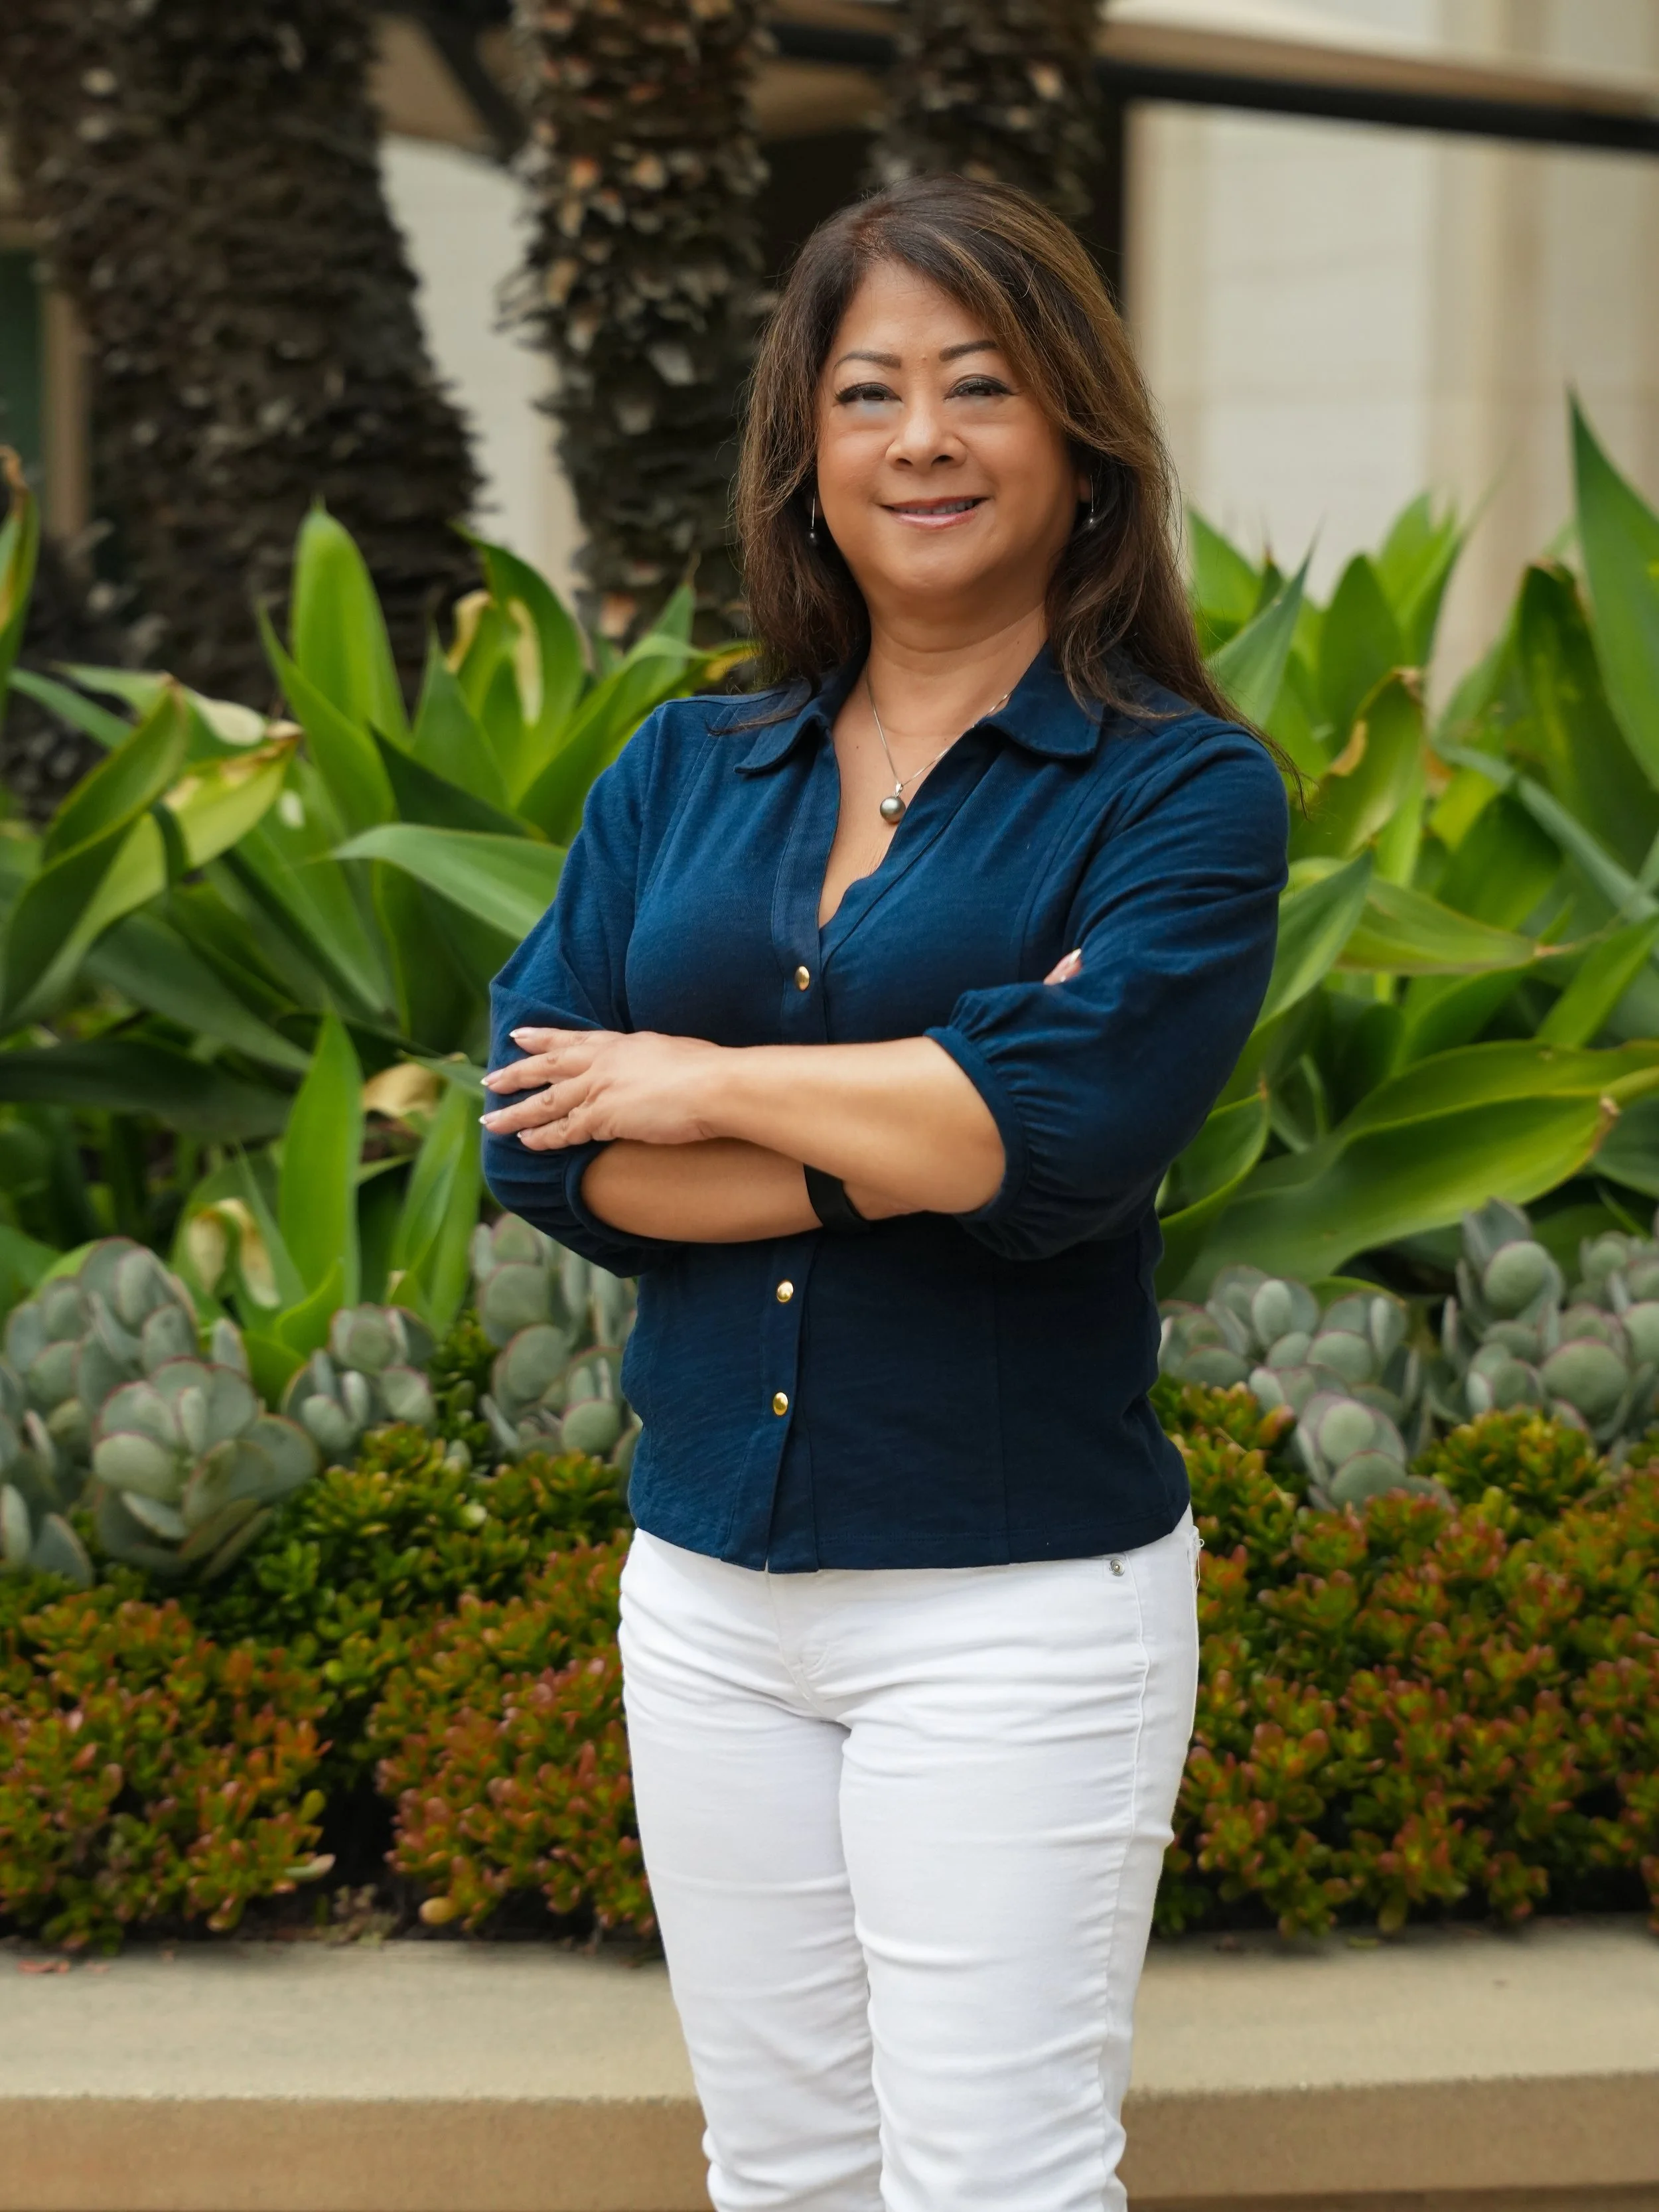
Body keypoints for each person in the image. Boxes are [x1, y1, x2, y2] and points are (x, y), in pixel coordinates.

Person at [480, 175, 1288, 2212]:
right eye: (867, 393)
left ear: (1082, 447)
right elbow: (536, 1128)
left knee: (994, 2182)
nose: (919, 437)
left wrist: (713, 1082)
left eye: (978, 386)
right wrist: (898, 1129)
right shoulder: (682, 766)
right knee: (780, 2173)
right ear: (806, 460)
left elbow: (1070, 1129)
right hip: (708, 1600)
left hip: (1008, 1609)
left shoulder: (1177, 789)